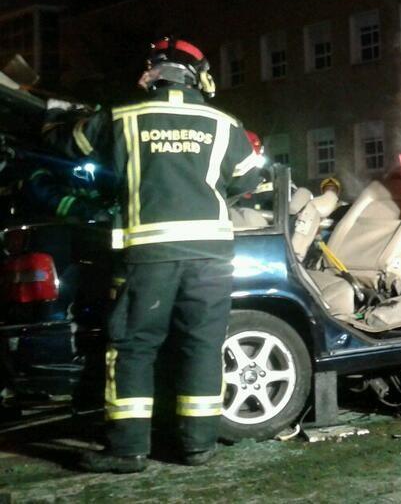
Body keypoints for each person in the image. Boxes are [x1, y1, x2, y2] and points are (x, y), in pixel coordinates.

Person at [42, 37, 262, 473]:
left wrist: (55, 115)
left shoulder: (122, 117)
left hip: (148, 254)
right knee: (202, 345)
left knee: (134, 347)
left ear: (152, 72)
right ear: (196, 76)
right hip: (212, 257)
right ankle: (198, 446)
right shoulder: (224, 123)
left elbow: (68, 146)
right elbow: (247, 180)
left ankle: (127, 450)